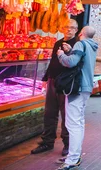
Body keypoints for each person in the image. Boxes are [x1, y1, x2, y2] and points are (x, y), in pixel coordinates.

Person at [54, 26, 98, 170]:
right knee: (78, 123)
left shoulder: (81, 43)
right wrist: (70, 51)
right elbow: (80, 60)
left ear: (80, 34)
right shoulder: (92, 46)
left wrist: (61, 54)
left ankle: (72, 159)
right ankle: (75, 155)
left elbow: (71, 62)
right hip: (86, 87)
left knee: (73, 124)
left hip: (77, 88)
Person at [31, 19, 79, 156]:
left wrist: (69, 53)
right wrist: (46, 78)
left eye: (72, 28)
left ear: (76, 30)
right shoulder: (58, 43)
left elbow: (74, 64)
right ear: (62, 28)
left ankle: (67, 144)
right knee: (49, 113)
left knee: (66, 115)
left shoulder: (77, 44)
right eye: (66, 27)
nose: (69, 29)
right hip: (53, 80)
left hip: (65, 84)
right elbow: (53, 61)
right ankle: (47, 141)